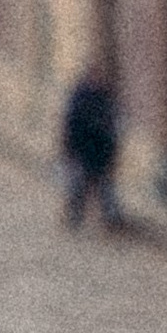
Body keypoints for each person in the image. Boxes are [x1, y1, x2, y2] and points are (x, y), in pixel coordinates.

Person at [60, 65, 124, 229]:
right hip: (82, 147)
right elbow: (70, 123)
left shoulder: (106, 98)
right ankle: (75, 214)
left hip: (101, 148)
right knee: (80, 183)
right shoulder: (81, 97)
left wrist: (112, 148)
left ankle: (110, 217)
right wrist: (68, 147)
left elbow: (113, 125)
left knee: (104, 185)